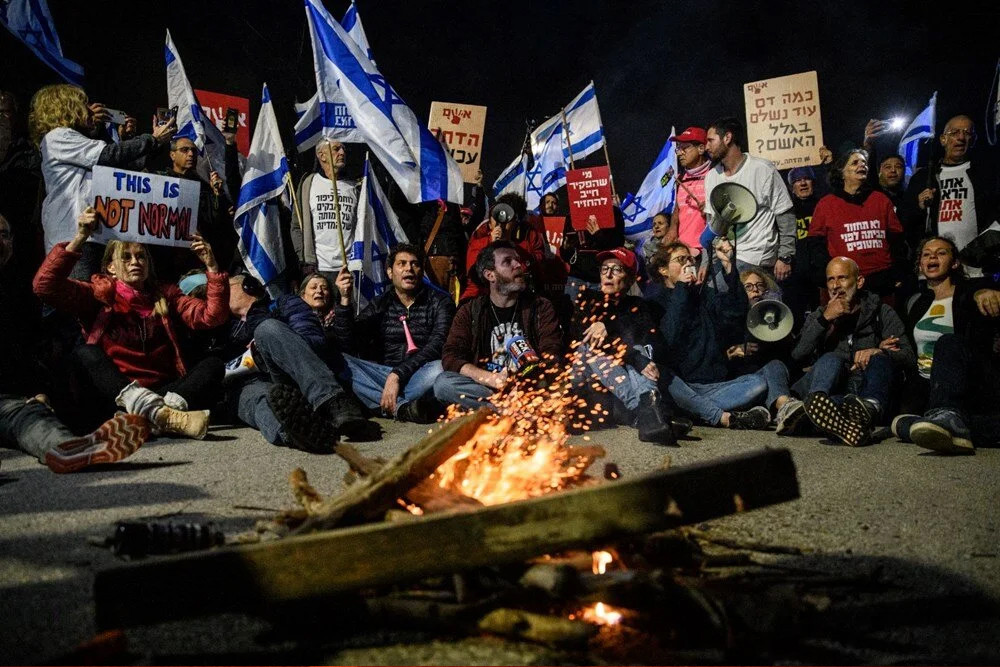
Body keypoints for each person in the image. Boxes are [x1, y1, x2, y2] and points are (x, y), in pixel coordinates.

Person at [32, 208, 227, 439]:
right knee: (85, 353)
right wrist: (80, 237)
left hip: (162, 392)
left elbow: (211, 316)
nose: (135, 262)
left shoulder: (165, 295)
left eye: (141, 256)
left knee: (214, 365)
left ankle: (150, 417)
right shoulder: (99, 294)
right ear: (111, 268)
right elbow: (44, 286)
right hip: (114, 396)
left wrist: (212, 268)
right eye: (126, 257)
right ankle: (163, 417)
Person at [1, 213, 150, 472]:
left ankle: (70, 449)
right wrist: (80, 236)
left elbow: (29, 349)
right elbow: (47, 284)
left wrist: (36, 391)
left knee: (31, 416)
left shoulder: (15, 292)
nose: (1, 242)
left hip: (11, 400)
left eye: (4, 235)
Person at [28, 84, 176, 279]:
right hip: (74, 237)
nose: (89, 109)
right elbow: (109, 154)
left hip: (96, 237)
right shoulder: (57, 136)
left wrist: (158, 143)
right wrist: (152, 139)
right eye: (83, 104)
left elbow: (125, 167)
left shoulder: (76, 140)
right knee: (77, 300)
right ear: (66, 107)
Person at [651, 240, 795, 430]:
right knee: (664, 379)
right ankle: (709, 411)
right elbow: (669, 336)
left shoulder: (703, 296)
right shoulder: (655, 302)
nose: (688, 264)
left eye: (690, 259)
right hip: (686, 386)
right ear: (663, 270)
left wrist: (728, 266)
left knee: (762, 379)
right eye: (680, 259)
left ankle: (784, 408)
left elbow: (734, 313)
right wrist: (680, 288)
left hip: (718, 385)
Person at [225, 272, 373, 451]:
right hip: (251, 385)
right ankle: (299, 434)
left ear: (247, 287)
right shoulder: (223, 326)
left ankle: (334, 402)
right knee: (262, 399)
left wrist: (267, 347)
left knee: (267, 329)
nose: (220, 294)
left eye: (227, 288)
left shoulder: (284, 304)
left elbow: (313, 341)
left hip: (288, 375)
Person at [790, 257, 915, 446]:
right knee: (831, 358)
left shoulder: (882, 312)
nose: (835, 285)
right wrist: (825, 320)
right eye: (831, 279)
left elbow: (909, 357)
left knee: (881, 359)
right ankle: (824, 408)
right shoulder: (819, 315)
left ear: (859, 282)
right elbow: (797, 355)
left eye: (842, 278)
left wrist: (876, 351)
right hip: (834, 388)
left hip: (864, 390)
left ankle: (868, 410)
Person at [891, 237, 1000, 453]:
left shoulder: (972, 291)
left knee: (948, 342)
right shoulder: (915, 302)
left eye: (941, 253)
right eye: (926, 254)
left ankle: (942, 417)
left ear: (955, 263)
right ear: (920, 264)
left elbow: (978, 292)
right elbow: (909, 350)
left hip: (971, 383)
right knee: (898, 420)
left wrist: (986, 294)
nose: (932, 256)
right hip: (928, 388)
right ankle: (950, 425)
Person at [567, 248, 682, 444]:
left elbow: (648, 341)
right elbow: (582, 337)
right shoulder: (588, 301)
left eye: (616, 269)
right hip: (589, 390)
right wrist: (633, 357)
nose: (608, 274)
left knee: (639, 350)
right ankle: (648, 413)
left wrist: (609, 327)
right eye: (604, 269)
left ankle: (647, 416)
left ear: (629, 279)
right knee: (592, 346)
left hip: (621, 390)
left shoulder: (637, 306)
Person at [332, 243, 455, 422]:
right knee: (337, 359)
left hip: (419, 374)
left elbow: (438, 344)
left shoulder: (440, 302)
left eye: (415, 264)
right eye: (402, 264)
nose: (409, 269)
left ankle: (380, 401)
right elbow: (349, 343)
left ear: (421, 271)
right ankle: (403, 408)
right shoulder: (380, 304)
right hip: (383, 374)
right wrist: (344, 300)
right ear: (390, 273)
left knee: (440, 369)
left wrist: (397, 375)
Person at [435, 241, 562, 409]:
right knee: (443, 384)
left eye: (517, 260)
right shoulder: (470, 311)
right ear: (490, 275)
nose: (518, 265)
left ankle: (501, 411)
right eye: (508, 261)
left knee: (563, 386)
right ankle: (511, 411)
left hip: (528, 388)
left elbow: (552, 351)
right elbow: (451, 355)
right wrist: (490, 379)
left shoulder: (539, 307)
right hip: (487, 387)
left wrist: (528, 381)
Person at [902, 115, 999, 277]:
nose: (961, 138)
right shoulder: (923, 178)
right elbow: (905, 221)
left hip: (977, 270)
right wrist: (919, 207)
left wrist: (978, 254)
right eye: (954, 132)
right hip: (935, 272)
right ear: (943, 139)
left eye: (967, 133)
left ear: (973, 140)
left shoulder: (986, 175)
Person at [703, 117, 795, 281]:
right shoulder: (711, 177)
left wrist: (785, 256)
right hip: (726, 258)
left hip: (758, 260)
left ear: (727, 138)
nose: (706, 147)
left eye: (711, 140)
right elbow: (712, 224)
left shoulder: (762, 169)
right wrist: (706, 262)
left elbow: (785, 214)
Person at [806, 149, 906, 299]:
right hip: (845, 283)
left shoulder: (880, 200)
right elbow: (815, 245)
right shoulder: (826, 204)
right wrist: (828, 275)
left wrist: (898, 273)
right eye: (855, 162)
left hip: (881, 280)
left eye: (864, 163)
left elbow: (896, 239)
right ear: (841, 172)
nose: (862, 165)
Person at [157, 134, 240, 277]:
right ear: (172, 155)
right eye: (184, 150)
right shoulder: (159, 181)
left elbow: (215, 221)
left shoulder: (204, 187)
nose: (191, 154)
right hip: (167, 260)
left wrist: (217, 195)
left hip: (200, 260)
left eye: (194, 151)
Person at [292, 138, 360, 281]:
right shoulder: (308, 184)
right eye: (336, 149)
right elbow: (296, 226)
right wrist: (303, 258)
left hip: (349, 268)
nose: (342, 152)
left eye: (343, 149)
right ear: (322, 155)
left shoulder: (355, 186)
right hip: (318, 269)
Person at [461, 193, 545, 300]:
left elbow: (532, 271)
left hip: (514, 297)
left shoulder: (524, 245)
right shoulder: (479, 242)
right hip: (480, 295)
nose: (502, 221)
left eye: (508, 216)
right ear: (490, 223)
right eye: (497, 215)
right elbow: (473, 275)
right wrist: (491, 243)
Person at [785, 166, 825, 324]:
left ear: (813, 183)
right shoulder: (787, 211)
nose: (802, 183)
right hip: (797, 273)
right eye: (797, 180)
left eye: (806, 178)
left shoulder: (824, 205)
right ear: (791, 188)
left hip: (821, 272)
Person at [666, 126, 711, 262]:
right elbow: (677, 213)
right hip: (684, 253)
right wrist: (671, 231)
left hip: (708, 252)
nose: (679, 153)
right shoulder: (680, 178)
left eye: (684, 148)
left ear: (701, 149)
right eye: (678, 148)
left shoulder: (715, 175)